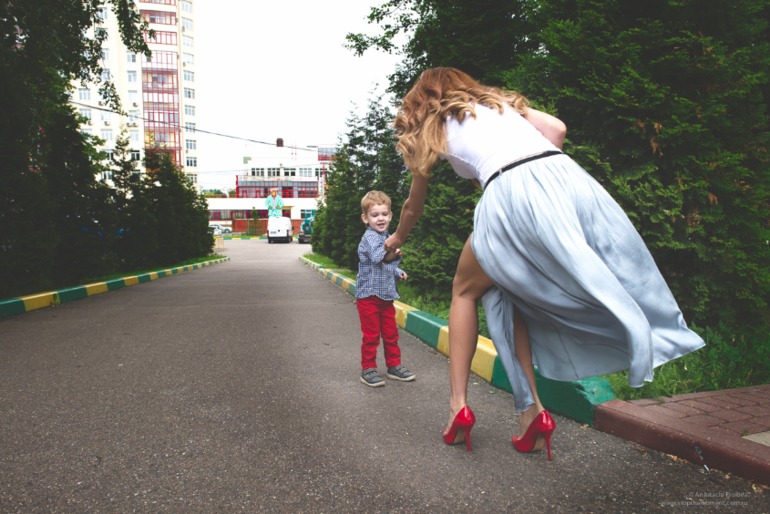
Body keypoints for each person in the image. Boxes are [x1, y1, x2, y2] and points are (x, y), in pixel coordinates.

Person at [384, 67, 704, 459]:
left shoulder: (433, 127)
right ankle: (531, 413)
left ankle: (459, 408)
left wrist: (398, 238)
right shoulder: (497, 104)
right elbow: (557, 129)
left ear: (421, 100)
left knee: (464, 292)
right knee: (508, 291)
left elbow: (413, 206)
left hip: (510, 190)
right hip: (569, 180)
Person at [356, 190, 416, 387]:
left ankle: (394, 365)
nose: (380, 218)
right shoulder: (370, 237)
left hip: (386, 296)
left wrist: (398, 272)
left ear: (390, 216)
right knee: (372, 335)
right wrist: (394, 252)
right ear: (365, 218)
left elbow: (385, 265)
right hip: (369, 296)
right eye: (374, 215)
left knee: (391, 333)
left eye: (384, 214)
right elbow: (378, 258)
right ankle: (368, 369)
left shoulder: (388, 237)